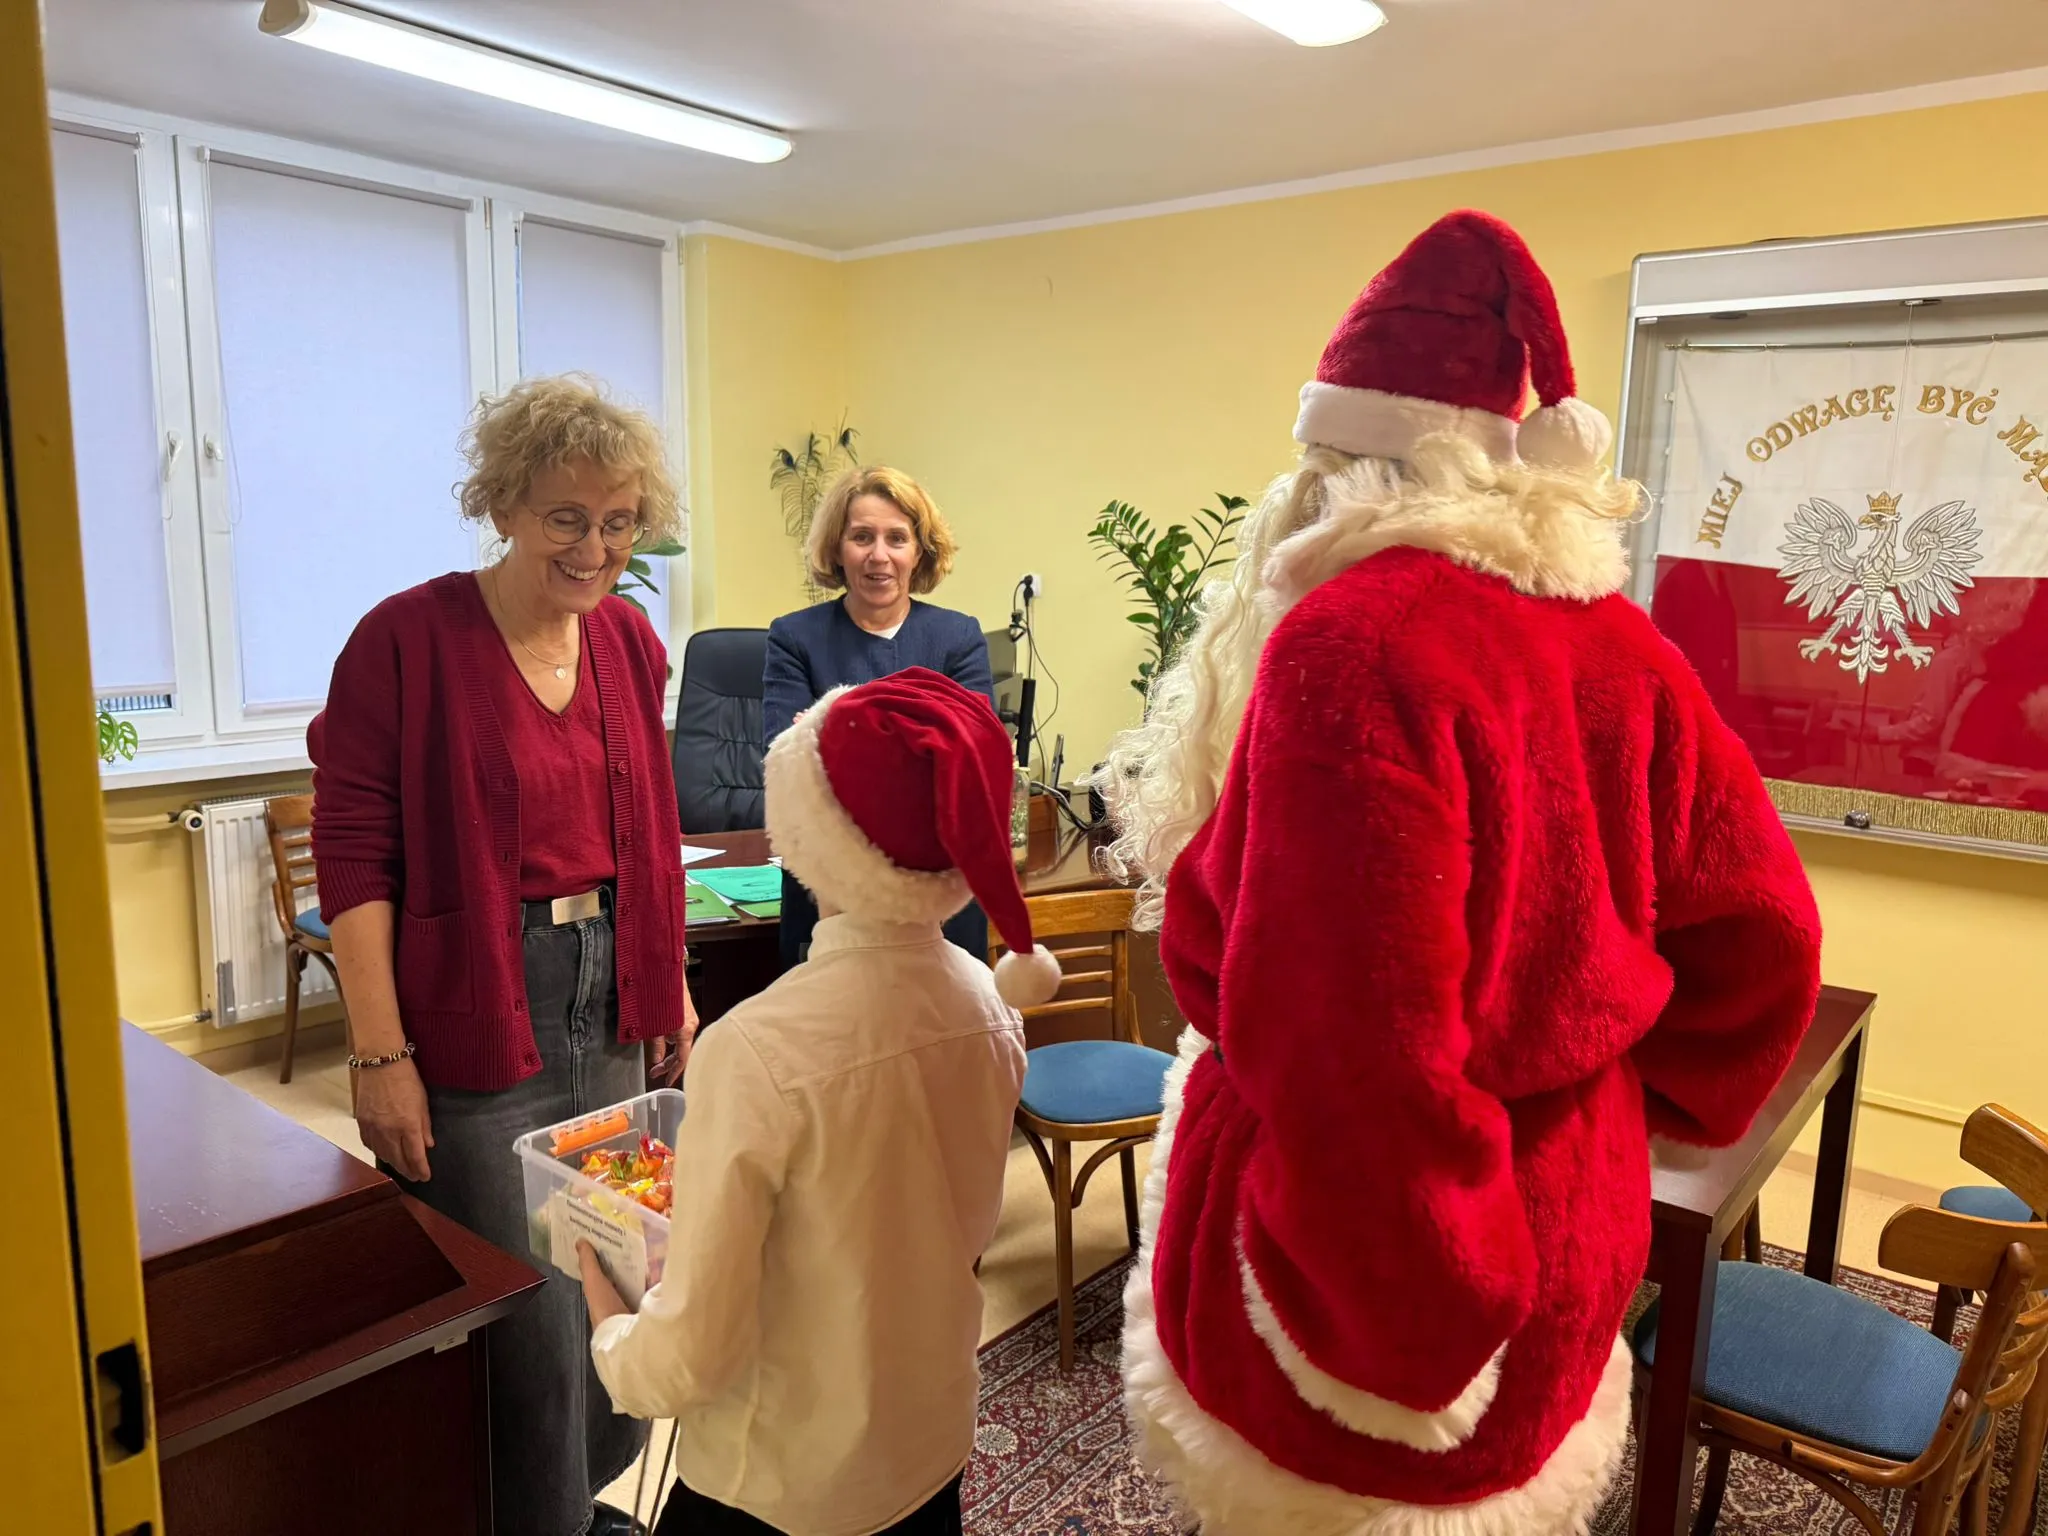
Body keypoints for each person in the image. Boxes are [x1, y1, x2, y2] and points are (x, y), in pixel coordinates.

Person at [1101, 211, 1824, 1536]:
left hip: (1387, 1293)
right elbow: (1764, 938)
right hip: (1566, 1215)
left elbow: (1348, 1047)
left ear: (1341, 467)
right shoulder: (1622, 644)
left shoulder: (1350, 646)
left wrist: (1406, 1325)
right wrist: (1608, 1100)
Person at [310, 374, 698, 1536]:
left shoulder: (627, 638)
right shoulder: (404, 639)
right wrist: (379, 1053)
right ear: (503, 507)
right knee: (522, 1324)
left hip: (612, 995)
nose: (595, 547)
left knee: (613, 1284)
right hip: (480, 1001)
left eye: (618, 521)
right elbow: (354, 858)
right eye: (565, 517)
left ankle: (581, 1507)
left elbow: (648, 825)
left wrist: (669, 974)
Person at [580, 668, 1058, 1535]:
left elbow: (686, 1360)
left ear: (804, 833)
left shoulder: (755, 1051)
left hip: (779, 1485)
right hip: (928, 1447)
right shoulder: (990, 1007)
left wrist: (611, 1326)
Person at [763, 466, 995, 968]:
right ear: (837, 548)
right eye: (862, 537)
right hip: (828, 892)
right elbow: (786, 763)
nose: (879, 555)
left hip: (942, 894)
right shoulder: (794, 638)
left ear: (919, 551)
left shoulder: (957, 638)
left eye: (897, 538)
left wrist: (830, 732)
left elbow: (974, 761)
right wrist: (918, 742)